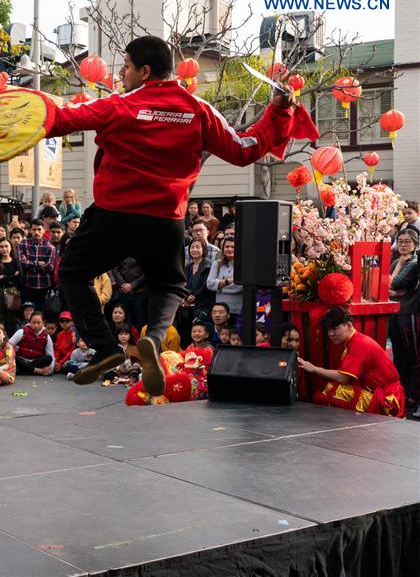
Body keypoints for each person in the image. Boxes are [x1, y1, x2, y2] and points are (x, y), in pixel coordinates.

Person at [42, 34, 297, 395]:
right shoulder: (197, 109)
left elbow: (62, 119)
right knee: (170, 284)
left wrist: (16, 109)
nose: (122, 76)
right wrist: (279, 110)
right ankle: (155, 338)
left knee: (72, 272)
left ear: (144, 71)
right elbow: (244, 149)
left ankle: (105, 347)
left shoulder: (118, 105)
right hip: (165, 218)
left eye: (126, 68)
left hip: (113, 213)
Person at [298, 307, 405, 418]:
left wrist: (314, 369)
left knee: (337, 390)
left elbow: (343, 378)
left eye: (335, 328)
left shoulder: (359, 344)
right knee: (335, 388)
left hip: (387, 398)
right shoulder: (354, 341)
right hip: (381, 391)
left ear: (349, 325)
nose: (331, 334)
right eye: (328, 330)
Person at [388, 228, 420, 413]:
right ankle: (403, 393)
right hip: (396, 313)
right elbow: (384, 284)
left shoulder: (414, 263)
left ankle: (414, 397)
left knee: (412, 358)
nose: (403, 245)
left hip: (409, 314)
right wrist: (392, 290)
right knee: (398, 357)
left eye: (407, 241)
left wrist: (392, 288)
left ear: (415, 244)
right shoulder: (396, 261)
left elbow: (391, 283)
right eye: (400, 241)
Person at [178, 239, 215, 347]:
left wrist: (194, 295)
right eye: (192, 247)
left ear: (203, 250)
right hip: (187, 307)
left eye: (197, 247)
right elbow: (183, 284)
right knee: (186, 335)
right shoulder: (187, 267)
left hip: (203, 306)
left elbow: (206, 286)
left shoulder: (209, 265)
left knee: (200, 335)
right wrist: (186, 297)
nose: (194, 250)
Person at [17, 219, 55, 310]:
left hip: (45, 285)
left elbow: (49, 267)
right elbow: (22, 263)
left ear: (44, 230)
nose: (36, 232)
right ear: (30, 230)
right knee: (28, 314)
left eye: (39, 229)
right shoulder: (23, 244)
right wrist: (38, 264)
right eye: (34, 229)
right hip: (28, 285)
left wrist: (31, 265)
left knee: (43, 313)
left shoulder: (50, 247)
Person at [0, 237, 22, 327]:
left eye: (6, 246)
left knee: (11, 318)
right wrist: (12, 277)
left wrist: (4, 277)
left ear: (11, 247)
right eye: (1, 247)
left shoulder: (15, 261)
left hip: (12, 293)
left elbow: (19, 278)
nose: (4, 249)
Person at [207, 236, 242, 323]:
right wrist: (227, 281)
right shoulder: (217, 263)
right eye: (227, 247)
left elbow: (239, 287)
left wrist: (220, 287)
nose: (229, 249)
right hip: (221, 311)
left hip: (238, 310)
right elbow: (209, 284)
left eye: (233, 247)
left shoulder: (244, 265)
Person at [8, 311, 55, 375]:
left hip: (35, 362)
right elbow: (8, 346)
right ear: (29, 322)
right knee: (13, 356)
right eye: (33, 323)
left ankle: (24, 370)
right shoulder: (21, 332)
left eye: (39, 323)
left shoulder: (47, 337)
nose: (36, 325)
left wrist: (50, 370)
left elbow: (51, 354)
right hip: (21, 359)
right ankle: (37, 371)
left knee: (49, 358)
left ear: (44, 323)